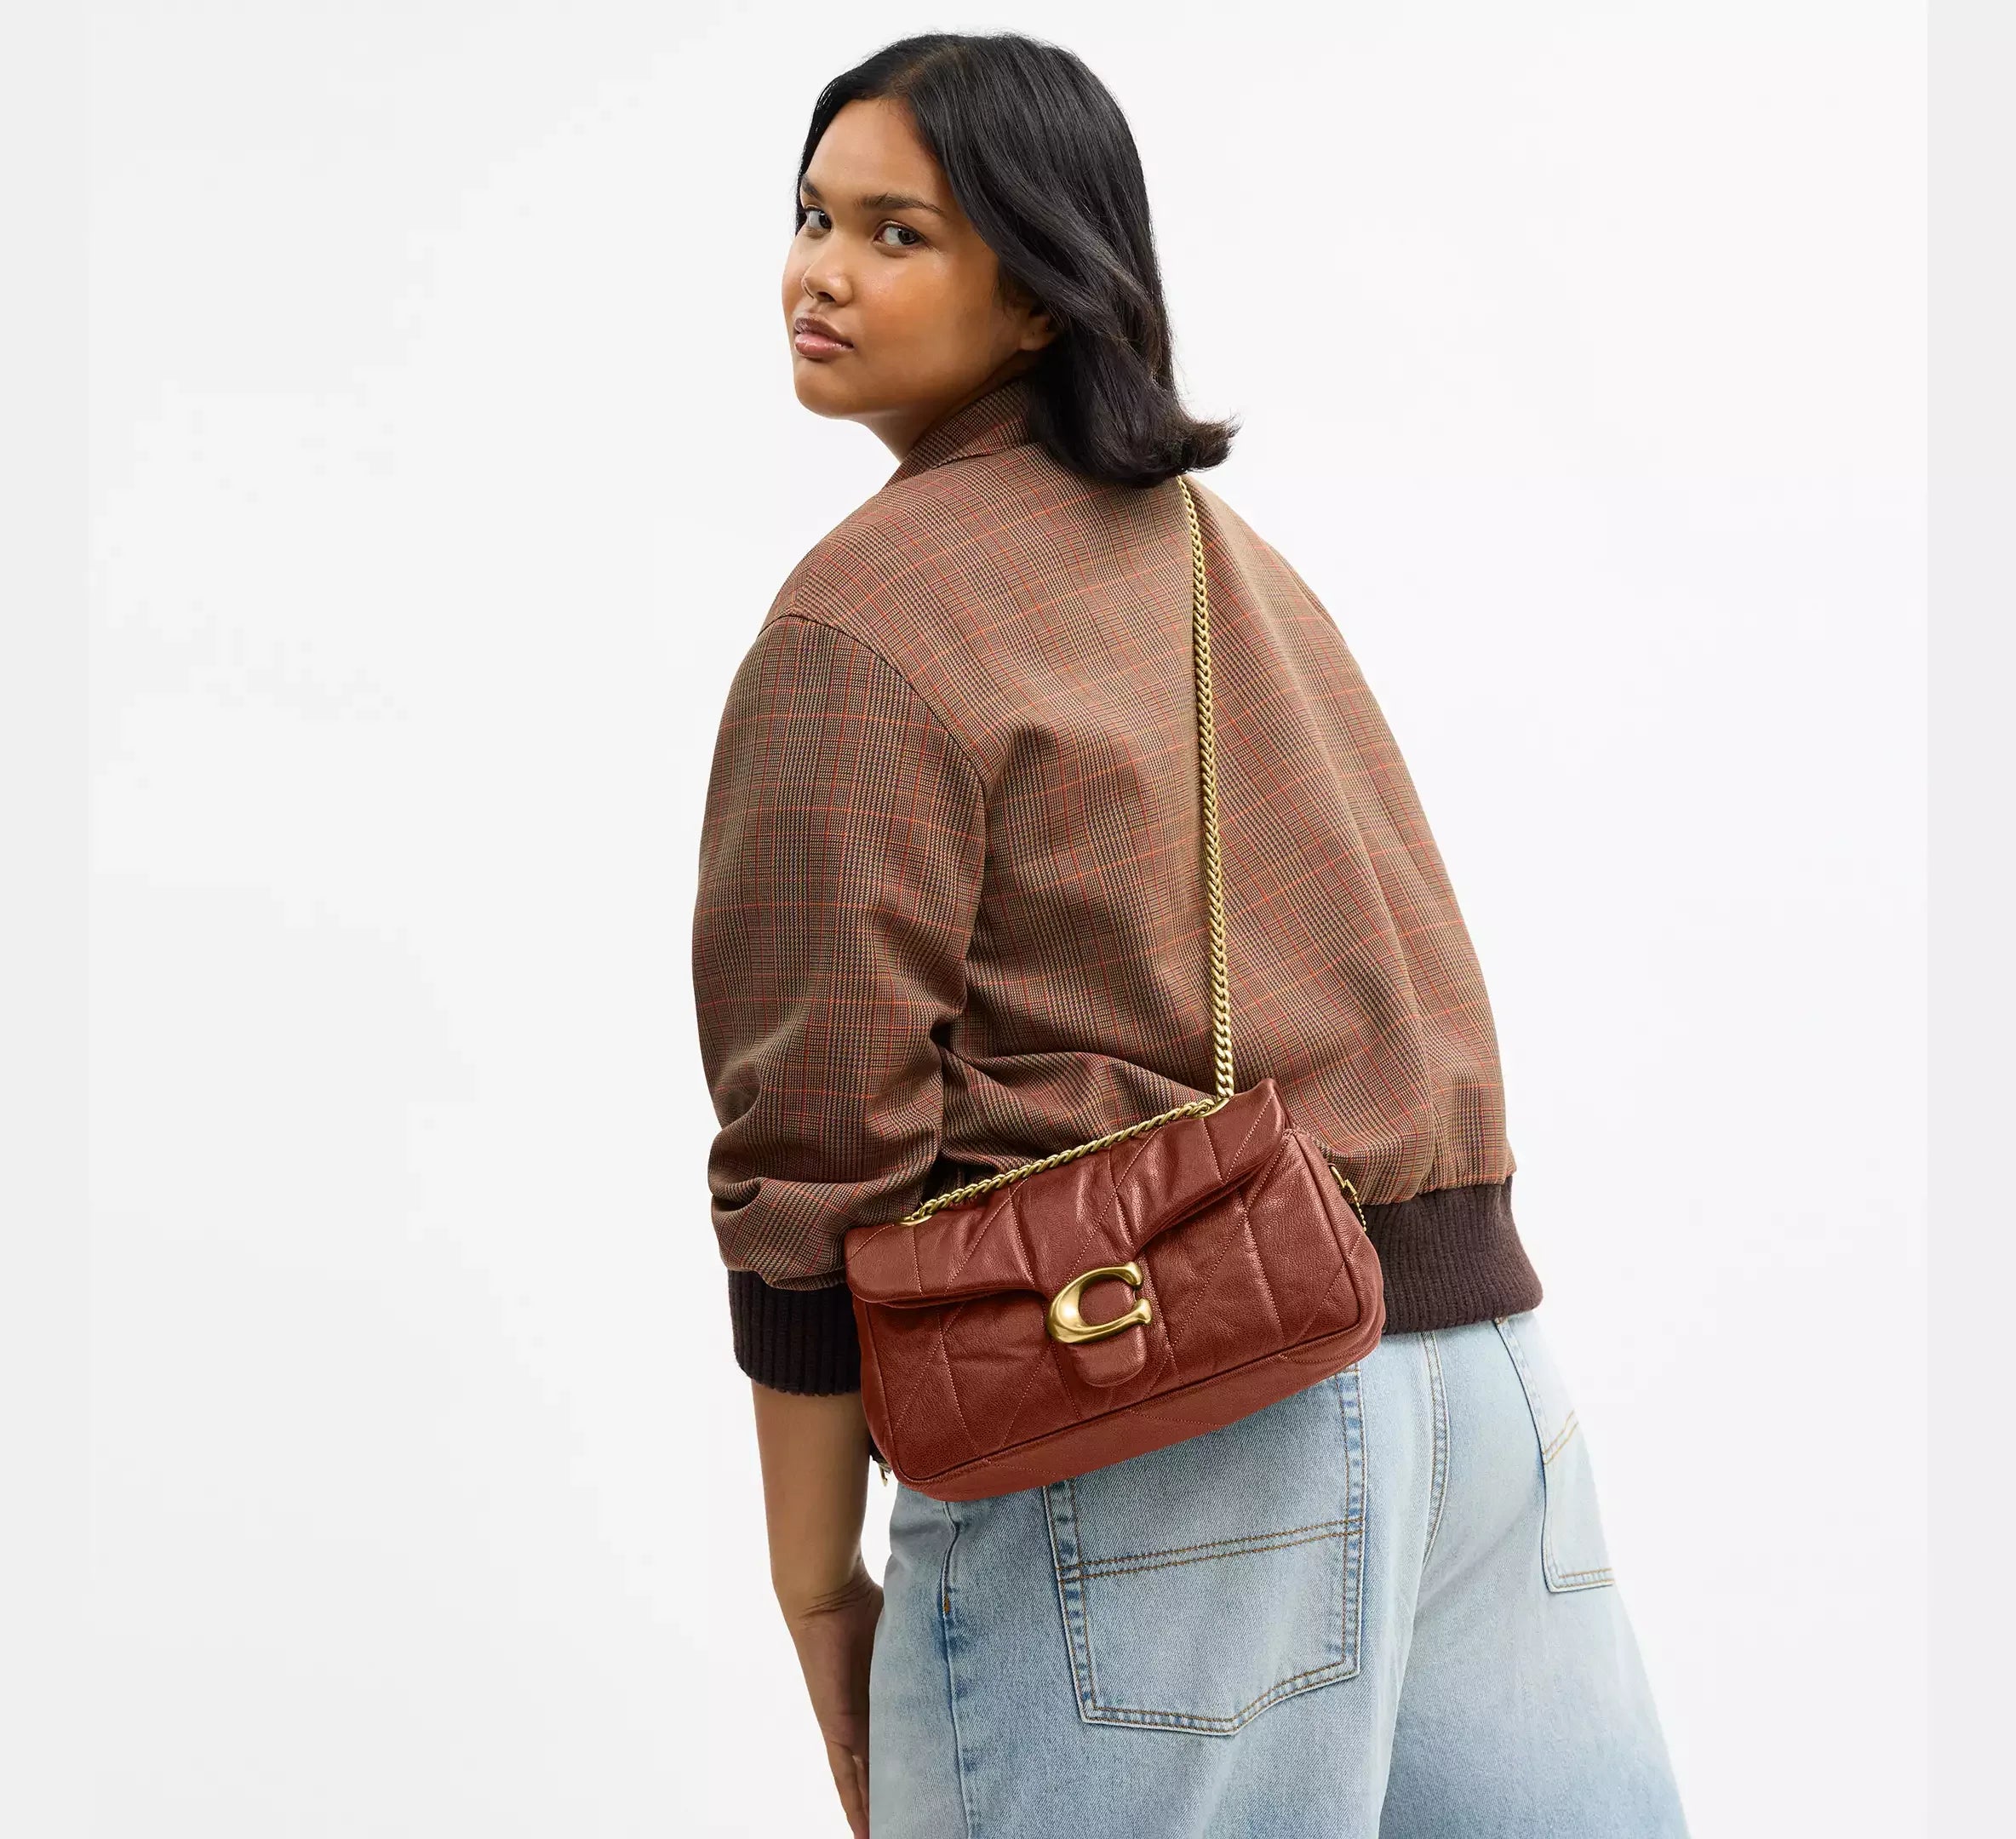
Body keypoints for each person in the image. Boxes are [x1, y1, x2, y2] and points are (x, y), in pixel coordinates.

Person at [690, 31, 1691, 1839]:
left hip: (1167, 1429)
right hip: (1480, 1403)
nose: (817, 273)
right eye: (812, 216)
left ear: (1041, 291)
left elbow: (816, 1153)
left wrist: (813, 1578)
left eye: (898, 234)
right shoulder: (1224, 560)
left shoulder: (864, 623)